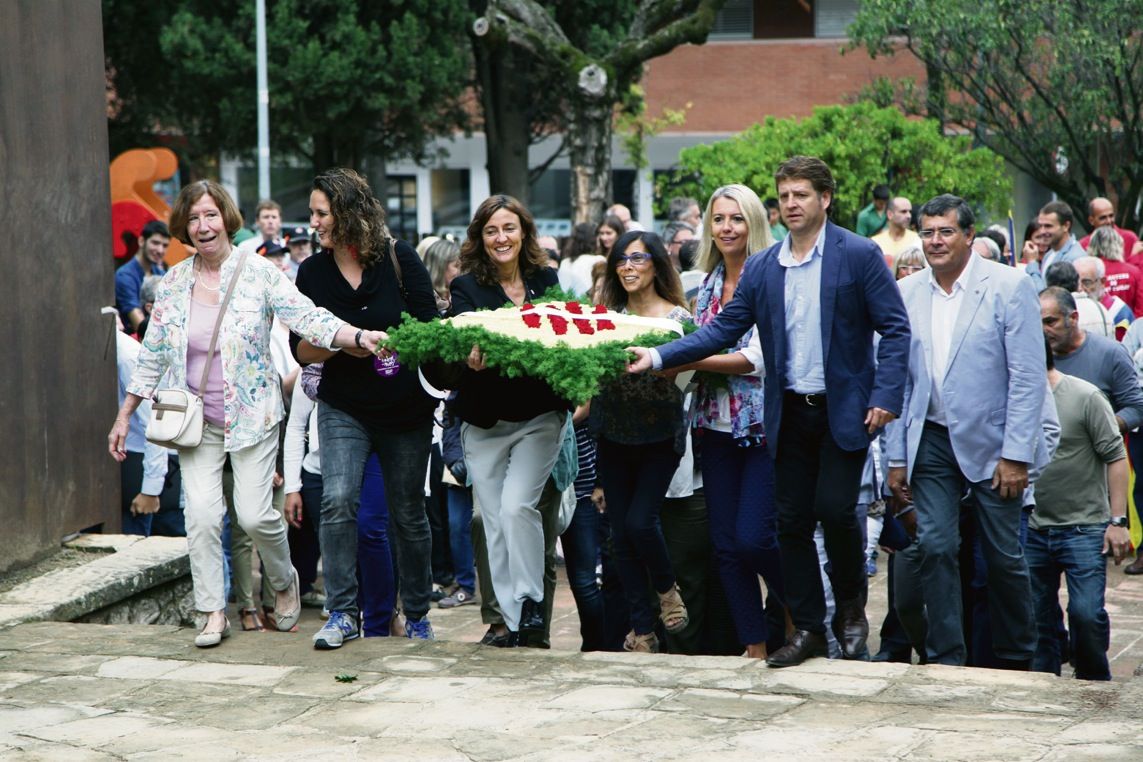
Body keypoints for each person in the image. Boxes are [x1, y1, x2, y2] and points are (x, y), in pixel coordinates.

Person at [628, 157, 911, 668]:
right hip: (786, 414)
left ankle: (849, 607)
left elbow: (895, 329)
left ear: (825, 199)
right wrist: (658, 356)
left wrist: (885, 396)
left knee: (835, 512)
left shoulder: (859, 254)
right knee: (791, 525)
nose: (792, 204)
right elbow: (722, 330)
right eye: (784, 196)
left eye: (802, 194)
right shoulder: (764, 266)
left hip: (844, 412)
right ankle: (806, 629)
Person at [107, 180, 376, 647]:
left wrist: (357, 336)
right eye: (192, 218)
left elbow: (308, 316)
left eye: (210, 215)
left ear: (226, 218)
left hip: (253, 416)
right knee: (203, 516)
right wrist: (125, 413)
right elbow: (151, 352)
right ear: (183, 228)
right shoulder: (174, 283)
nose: (202, 226)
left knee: (254, 517)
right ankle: (212, 612)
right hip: (195, 421)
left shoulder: (258, 273)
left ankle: (283, 577)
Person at [887, 194, 1049, 668]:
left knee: (1002, 559)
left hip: (995, 442)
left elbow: (1027, 375)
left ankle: (1019, 657)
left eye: (946, 231)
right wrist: (898, 457)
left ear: (969, 235)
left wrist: (1016, 454)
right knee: (935, 546)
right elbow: (899, 382)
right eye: (928, 232)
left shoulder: (1009, 285)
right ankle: (946, 660)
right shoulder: (908, 291)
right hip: (932, 439)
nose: (935, 241)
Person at [291, 168, 441, 648]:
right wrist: (347, 342)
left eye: (321, 213)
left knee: (408, 514)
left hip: (405, 410)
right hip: (343, 407)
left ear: (349, 212)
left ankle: (416, 615)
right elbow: (302, 350)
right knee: (337, 501)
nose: (313, 222)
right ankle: (341, 613)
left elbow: (431, 330)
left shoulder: (400, 259)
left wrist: (390, 342)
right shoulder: (312, 272)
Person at [660, 184, 785, 660]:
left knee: (755, 539)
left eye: (736, 218)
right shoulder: (707, 282)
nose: (727, 227)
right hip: (712, 426)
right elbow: (700, 344)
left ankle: (802, 614)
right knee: (726, 546)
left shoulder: (770, 276)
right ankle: (754, 646)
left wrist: (679, 360)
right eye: (718, 219)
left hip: (760, 429)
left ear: (753, 223)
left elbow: (756, 359)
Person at [450, 194, 572, 646]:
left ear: (524, 233)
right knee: (492, 521)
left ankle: (529, 604)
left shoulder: (547, 279)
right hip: (485, 423)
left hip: (540, 416)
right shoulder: (466, 288)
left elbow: (565, 335)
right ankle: (508, 617)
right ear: (480, 239)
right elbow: (453, 348)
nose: (501, 238)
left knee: (517, 506)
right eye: (491, 231)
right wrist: (469, 358)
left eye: (509, 228)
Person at [590, 230, 693, 653]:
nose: (628, 267)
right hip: (611, 433)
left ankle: (668, 591)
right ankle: (642, 631)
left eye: (637, 258)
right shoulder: (606, 316)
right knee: (619, 534)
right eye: (621, 260)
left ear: (656, 264)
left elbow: (688, 381)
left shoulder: (678, 319)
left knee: (638, 522)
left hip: (659, 435)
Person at [1029, 340, 1131, 680]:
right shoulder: (1014, 401)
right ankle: (1042, 688)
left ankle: (1093, 685)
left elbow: (1115, 457)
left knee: (1086, 614)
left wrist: (1117, 521)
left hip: (1084, 527)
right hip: (1031, 527)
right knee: (1038, 619)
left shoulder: (1085, 397)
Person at [115, 220, 170, 332]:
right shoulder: (125, 276)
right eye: (155, 243)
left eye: (165, 245)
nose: (160, 250)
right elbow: (139, 326)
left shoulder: (161, 273)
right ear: (141, 241)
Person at [1025, 201, 1084, 290]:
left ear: (1066, 226)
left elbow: (1048, 297)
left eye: (1048, 226)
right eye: (1041, 226)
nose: (1042, 231)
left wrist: (1032, 263)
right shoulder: (1049, 254)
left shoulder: (1075, 259)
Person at [1087, 225, 1143, 317]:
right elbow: (1141, 308)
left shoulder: (1091, 274)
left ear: (1092, 246)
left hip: (1102, 326)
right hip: (1129, 325)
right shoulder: (1134, 272)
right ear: (1119, 244)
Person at [1074, 255, 1134, 340]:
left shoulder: (1119, 312)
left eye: (1086, 282)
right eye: (1076, 283)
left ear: (1102, 282)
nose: (1080, 288)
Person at [872, 197, 921, 268]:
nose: (909, 216)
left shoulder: (918, 240)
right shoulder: (876, 242)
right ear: (890, 214)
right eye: (903, 212)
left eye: (909, 212)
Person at [558, 222, 604, 297]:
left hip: (566, 305)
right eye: (598, 235)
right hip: (589, 305)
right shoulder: (599, 260)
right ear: (593, 238)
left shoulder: (565, 262)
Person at [422, 237, 461, 314]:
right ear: (440, 266)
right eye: (456, 266)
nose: (460, 271)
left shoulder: (458, 294)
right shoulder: (424, 298)